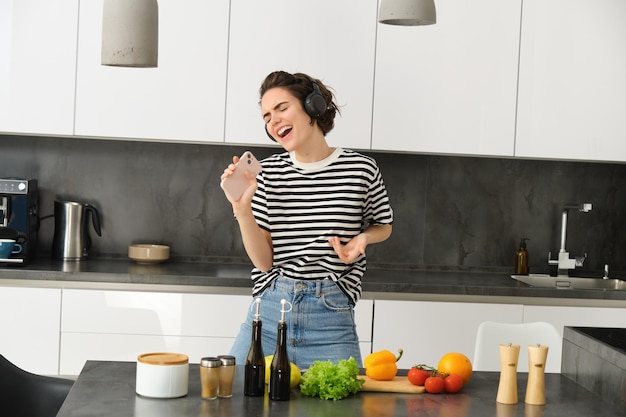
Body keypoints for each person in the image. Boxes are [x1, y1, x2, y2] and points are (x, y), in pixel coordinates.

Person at [221, 71, 393, 369]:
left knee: (338, 407)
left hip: (331, 316)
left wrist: (364, 238)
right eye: (266, 116)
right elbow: (263, 262)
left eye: (282, 108)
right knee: (232, 400)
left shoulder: (360, 169)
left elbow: (383, 224)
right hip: (270, 311)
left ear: (312, 107)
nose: (272, 121)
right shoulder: (266, 173)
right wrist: (241, 209)